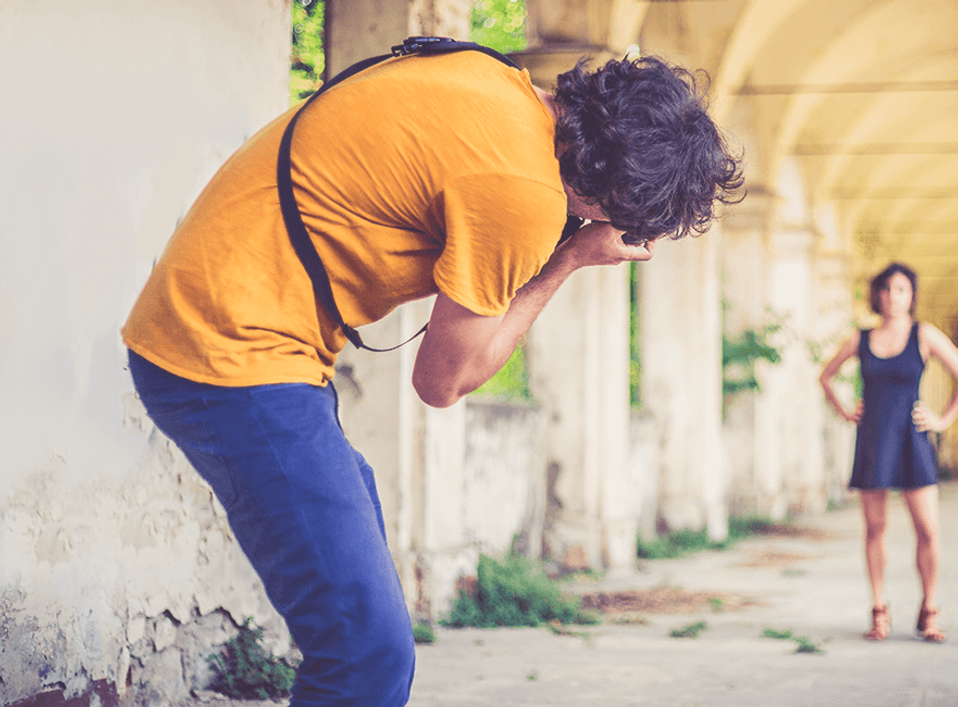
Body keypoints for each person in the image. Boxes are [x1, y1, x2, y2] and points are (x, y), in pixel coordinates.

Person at [122, 47, 742, 707]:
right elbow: (443, 382)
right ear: (616, 198)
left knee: (362, 584)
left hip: (220, 324)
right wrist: (568, 260)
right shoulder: (526, 195)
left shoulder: (493, 79)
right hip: (230, 352)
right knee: (366, 654)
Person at [818, 262, 958, 643]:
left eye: (902, 289)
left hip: (913, 440)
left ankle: (930, 609)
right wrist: (844, 410)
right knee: (875, 529)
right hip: (873, 441)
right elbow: (825, 376)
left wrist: (942, 420)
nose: (894, 297)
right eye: (887, 290)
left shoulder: (924, 335)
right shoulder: (860, 339)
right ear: (878, 296)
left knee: (928, 530)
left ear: (913, 296)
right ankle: (879, 611)